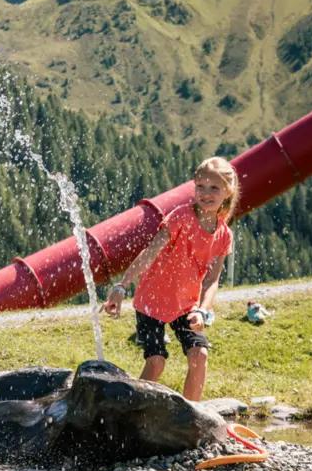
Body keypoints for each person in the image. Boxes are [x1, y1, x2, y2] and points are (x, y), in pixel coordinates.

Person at [102, 157, 238, 402]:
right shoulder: (181, 217)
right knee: (156, 362)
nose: (206, 193)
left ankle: (191, 418)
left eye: (214, 188)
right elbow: (150, 252)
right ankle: (131, 409)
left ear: (227, 192)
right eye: (201, 187)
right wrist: (122, 286)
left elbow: (212, 280)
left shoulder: (224, 235)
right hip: (151, 301)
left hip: (186, 306)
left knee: (199, 356)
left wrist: (203, 311)